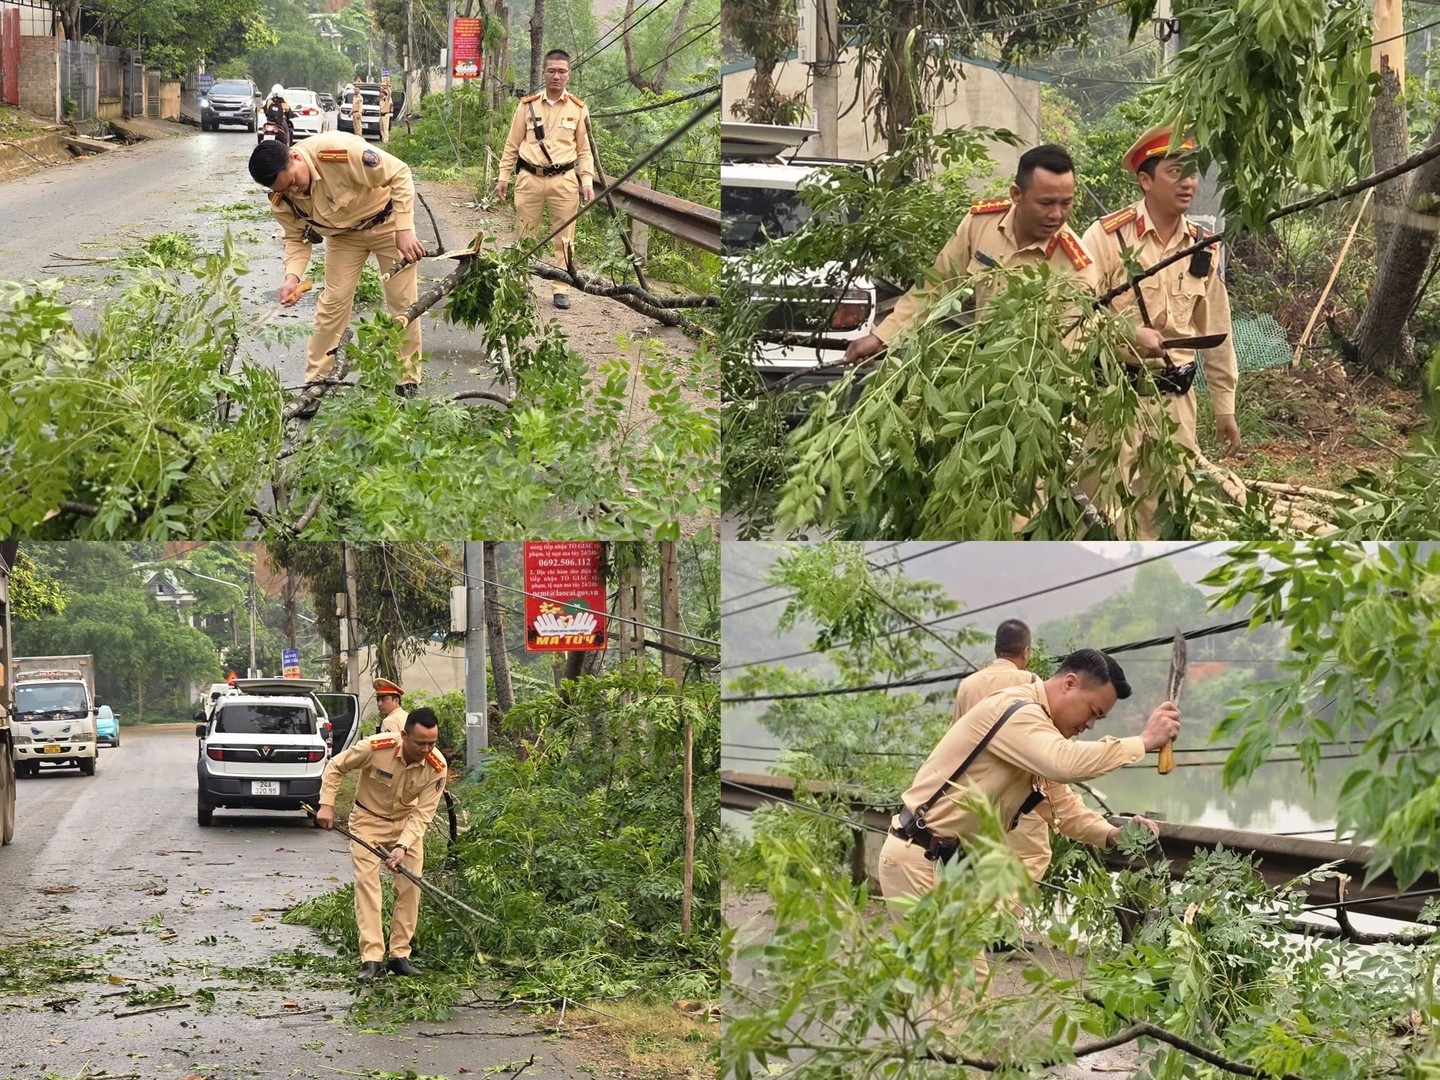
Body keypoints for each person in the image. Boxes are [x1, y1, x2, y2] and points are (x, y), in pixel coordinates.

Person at [878, 648, 1177, 1002]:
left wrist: (1114, 835)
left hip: (944, 869)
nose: (1089, 725)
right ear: (1069, 683)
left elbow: (1063, 808)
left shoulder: (1037, 731)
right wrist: (1142, 742)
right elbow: (1062, 763)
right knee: (958, 999)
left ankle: (928, 1049)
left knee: (952, 997)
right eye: (1093, 712)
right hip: (920, 859)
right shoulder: (1019, 713)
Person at [843, 145, 1167, 366]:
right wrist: (883, 337)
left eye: (1066, 203)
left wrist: (1126, 334)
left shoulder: (1076, 263)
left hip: (1034, 388)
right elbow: (936, 285)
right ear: (1016, 195)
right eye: (1046, 203)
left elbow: (1076, 334)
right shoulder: (980, 224)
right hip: (979, 372)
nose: (1056, 214)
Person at [1080, 124, 1245, 538]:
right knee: (1101, 506)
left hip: (1176, 401)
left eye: (1192, 172)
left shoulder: (1204, 245)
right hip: (1115, 397)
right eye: (1175, 172)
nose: (1189, 182)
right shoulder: (1108, 237)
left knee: (1167, 506)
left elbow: (1217, 330)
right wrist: (1127, 333)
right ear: (1145, 180)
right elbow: (1074, 311)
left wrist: (1225, 406)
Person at [248, 133, 426, 411]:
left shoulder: (338, 153)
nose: (295, 190)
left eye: (294, 181)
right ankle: (316, 383)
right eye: (288, 189)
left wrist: (405, 229)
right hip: (344, 237)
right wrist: (292, 278)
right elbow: (296, 239)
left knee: (402, 302)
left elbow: (400, 173)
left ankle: (407, 379)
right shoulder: (283, 199)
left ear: (295, 156)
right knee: (333, 302)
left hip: (388, 225)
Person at [316, 708, 447, 980]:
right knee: (368, 885)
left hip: (406, 823)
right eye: (420, 742)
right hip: (368, 820)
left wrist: (403, 846)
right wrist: (326, 805)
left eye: (431, 743)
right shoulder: (377, 747)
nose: (426, 749)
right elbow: (336, 766)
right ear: (404, 735)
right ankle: (372, 958)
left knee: (411, 886)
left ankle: (400, 954)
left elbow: (423, 814)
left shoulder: (437, 766)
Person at [495, 49, 596, 310]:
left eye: (562, 71)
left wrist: (586, 180)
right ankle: (521, 284)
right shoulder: (527, 105)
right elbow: (512, 143)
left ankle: (561, 286)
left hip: (564, 181)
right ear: (544, 72)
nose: (556, 76)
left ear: (569, 75)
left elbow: (584, 150)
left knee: (564, 238)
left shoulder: (578, 108)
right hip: (530, 177)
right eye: (551, 70)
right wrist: (503, 175)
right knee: (525, 234)